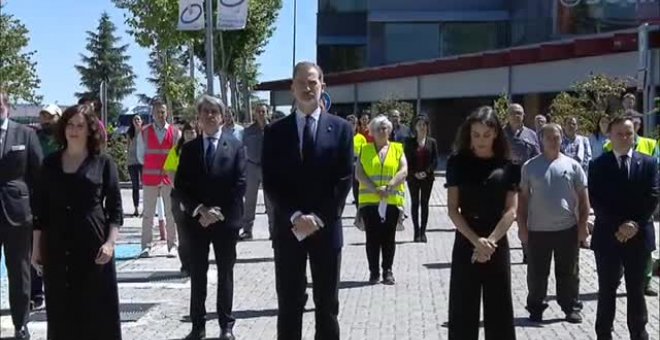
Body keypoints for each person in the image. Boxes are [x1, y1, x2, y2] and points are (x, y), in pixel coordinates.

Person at [262, 61, 353, 340]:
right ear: (292, 87)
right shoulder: (276, 132)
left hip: (326, 230)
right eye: (301, 82)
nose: (307, 87)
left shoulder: (340, 129)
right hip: (288, 231)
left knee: (327, 306)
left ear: (322, 86)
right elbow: (271, 181)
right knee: (289, 305)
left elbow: (343, 180)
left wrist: (318, 218)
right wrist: (294, 217)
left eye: (313, 82)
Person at [32, 104, 123, 340]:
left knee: (97, 315)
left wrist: (110, 244)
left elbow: (115, 211)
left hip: (93, 247)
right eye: (70, 124)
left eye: (80, 125)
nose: (74, 130)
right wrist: (35, 249)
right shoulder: (49, 164)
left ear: (89, 129)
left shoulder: (103, 163)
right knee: (62, 314)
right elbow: (40, 212)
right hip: (57, 248)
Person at [175, 95, 246, 340]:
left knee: (225, 272)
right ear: (199, 117)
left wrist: (217, 212)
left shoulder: (235, 146)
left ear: (222, 116)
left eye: (214, 112)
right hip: (197, 222)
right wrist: (200, 210)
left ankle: (226, 326)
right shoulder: (190, 148)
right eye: (204, 111)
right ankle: (198, 326)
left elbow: (240, 184)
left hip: (226, 221)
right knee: (198, 274)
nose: (209, 116)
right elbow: (180, 186)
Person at [445, 106, 517, 340]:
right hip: (467, 239)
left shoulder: (509, 165)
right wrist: (477, 242)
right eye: (476, 135)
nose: (481, 140)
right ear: (469, 134)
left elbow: (511, 210)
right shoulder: (457, 162)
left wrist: (490, 242)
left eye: (486, 135)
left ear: (496, 133)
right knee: (463, 308)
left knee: (500, 309)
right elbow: (453, 210)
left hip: (497, 241)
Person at [589, 116, 658, 340]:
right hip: (608, 236)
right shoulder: (598, 164)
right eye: (620, 133)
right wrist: (620, 225)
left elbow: (653, 196)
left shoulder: (648, 163)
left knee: (636, 289)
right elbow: (596, 200)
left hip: (639, 236)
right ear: (610, 136)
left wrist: (634, 224)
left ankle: (638, 333)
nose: (625, 137)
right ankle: (603, 333)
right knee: (607, 289)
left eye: (629, 133)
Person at [518, 123, 590, 324]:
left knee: (568, 273)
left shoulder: (572, 165)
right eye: (548, 137)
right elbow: (522, 201)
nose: (553, 140)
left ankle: (570, 307)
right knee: (536, 274)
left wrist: (583, 226)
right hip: (537, 231)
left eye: (556, 137)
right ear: (541, 140)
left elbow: (584, 199)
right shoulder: (530, 166)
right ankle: (535, 307)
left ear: (561, 138)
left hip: (567, 229)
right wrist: (522, 228)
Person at [0, 89, 43, 340]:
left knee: (19, 270)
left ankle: (21, 322)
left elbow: (38, 176)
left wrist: (39, 214)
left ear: (7, 106)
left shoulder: (25, 134)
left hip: (18, 213)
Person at [356, 115, 407, 285]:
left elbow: (403, 170)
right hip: (370, 201)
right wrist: (374, 189)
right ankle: (373, 272)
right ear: (371, 131)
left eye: (385, 128)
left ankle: (388, 271)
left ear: (390, 130)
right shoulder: (365, 149)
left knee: (388, 238)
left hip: (391, 200)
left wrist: (390, 186)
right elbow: (359, 174)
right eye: (378, 128)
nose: (381, 131)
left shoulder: (398, 149)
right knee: (372, 238)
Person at [136, 99, 180, 258]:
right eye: (157, 112)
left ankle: (172, 246)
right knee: (148, 214)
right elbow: (140, 156)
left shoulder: (175, 132)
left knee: (170, 213)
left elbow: (178, 155)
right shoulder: (144, 132)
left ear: (166, 112)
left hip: (169, 179)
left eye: (163, 111)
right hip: (150, 179)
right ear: (152, 114)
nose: (161, 115)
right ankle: (145, 246)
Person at [31, 104, 61, 311]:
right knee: (35, 247)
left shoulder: (65, 140)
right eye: (43, 117)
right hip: (37, 198)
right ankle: (36, 294)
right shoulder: (34, 138)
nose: (46, 121)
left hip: (59, 199)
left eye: (49, 117)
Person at [502, 103, 540, 264]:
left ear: (524, 115)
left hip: (526, 182)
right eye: (513, 113)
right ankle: (497, 251)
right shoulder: (500, 135)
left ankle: (527, 252)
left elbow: (538, 157)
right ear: (508, 115)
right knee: (503, 217)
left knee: (525, 219)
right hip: (505, 181)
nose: (517, 116)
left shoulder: (531, 135)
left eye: (519, 113)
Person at [163, 121, 198, 275]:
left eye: (193, 132)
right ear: (183, 134)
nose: (190, 134)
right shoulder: (176, 151)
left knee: (198, 233)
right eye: (187, 132)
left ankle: (198, 263)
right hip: (179, 196)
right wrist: (183, 193)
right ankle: (186, 265)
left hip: (198, 197)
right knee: (183, 232)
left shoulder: (202, 149)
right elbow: (170, 173)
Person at [239, 104, 274, 241]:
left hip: (268, 168)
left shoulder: (273, 129)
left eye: (263, 111)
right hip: (252, 167)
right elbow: (242, 149)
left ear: (268, 113)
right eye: (258, 111)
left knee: (270, 201)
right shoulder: (248, 131)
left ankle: (273, 230)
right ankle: (247, 230)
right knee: (250, 200)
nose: (260, 114)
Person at [403, 115, 438, 243]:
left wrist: (426, 172)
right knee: (415, 203)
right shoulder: (409, 142)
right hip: (413, 178)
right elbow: (405, 160)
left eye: (424, 125)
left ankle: (423, 232)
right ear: (415, 127)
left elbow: (435, 161)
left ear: (427, 127)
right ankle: (416, 232)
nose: (422, 127)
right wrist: (414, 173)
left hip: (427, 178)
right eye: (419, 125)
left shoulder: (432, 142)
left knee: (424, 204)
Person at [346, 115, 367, 207]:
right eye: (350, 124)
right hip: (345, 165)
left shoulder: (361, 138)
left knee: (357, 190)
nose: (352, 126)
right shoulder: (343, 136)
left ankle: (359, 211)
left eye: (354, 124)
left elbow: (365, 153)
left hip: (357, 165)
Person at [127, 114, 143, 217]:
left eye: (138, 119)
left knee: (146, 186)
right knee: (135, 186)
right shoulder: (130, 133)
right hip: (132, 162)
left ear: (141, 121)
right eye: (135, 119)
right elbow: (128, 147)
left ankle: (146, 209)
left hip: (143, 162)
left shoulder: (145, 132)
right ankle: (136, 209)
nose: (136, 121)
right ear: (132, 122)